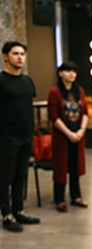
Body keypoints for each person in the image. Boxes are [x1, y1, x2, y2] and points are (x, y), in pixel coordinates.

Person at [0, 41, 41, 232]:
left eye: (22, 54)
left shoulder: (27, 81)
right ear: (5, 56)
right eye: (15, 53)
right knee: (5, 176)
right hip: (7, 137)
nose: (19, 57)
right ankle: (7, 214)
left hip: (26, 136)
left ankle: (18, 210)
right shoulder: (1, 81)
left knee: (20, 176)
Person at [47, 61, 89, 212]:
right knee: (61, 167)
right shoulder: (54, 92)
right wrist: (69, 133)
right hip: (62, 136)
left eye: (74, 71)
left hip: (78, 135)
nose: (71, 74)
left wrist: (81, 131)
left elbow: (85, 113)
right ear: (60, 73)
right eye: (68, 71)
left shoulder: (79, 91)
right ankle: (59, 199)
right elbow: (54, 117)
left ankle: (76, 196)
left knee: (75, 166)